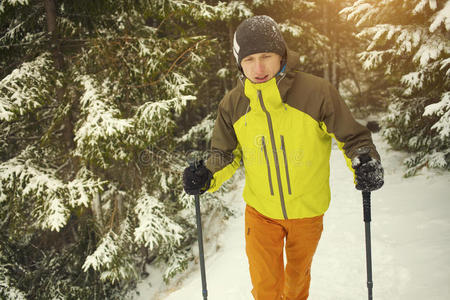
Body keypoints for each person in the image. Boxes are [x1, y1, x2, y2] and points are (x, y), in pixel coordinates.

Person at [183, 15, 384, 300]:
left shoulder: (316, 93)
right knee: (265, 289)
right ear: (239, 63)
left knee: (296, 284)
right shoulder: (233, 104)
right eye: (250, 59)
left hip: (308, 212)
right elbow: (224, 155)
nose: (259, 67)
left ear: (282, 55)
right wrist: (206, 174)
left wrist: (364, 160)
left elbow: (353, 137)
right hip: (261, 214)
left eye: (266, 56)